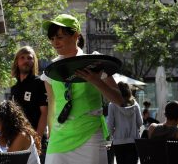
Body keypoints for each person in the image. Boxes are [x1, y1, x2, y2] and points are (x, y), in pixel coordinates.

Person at [41, 14, 123, 164]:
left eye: (60, 37)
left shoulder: (95, 62)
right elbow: (52, 108)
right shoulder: (50, 71)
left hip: (90, 135)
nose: (55, 42)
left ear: (76, 36)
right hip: (59, 138)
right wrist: (51, 137)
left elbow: (118, 100)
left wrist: (96, 81)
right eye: (52, 39)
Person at [10, 46, 48, 139]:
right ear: (17, 62)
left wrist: (37, 139)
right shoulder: (14, 85)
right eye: (22, 57)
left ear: (34, 61)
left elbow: (45, 113)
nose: (26, 61)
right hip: (16, 137)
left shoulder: (40, 83)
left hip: (33, 138)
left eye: (29, 58)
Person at [107, 82, 142, 164]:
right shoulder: (135, 105)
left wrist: (111, 136)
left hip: (118, 142)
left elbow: (110, 125)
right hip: (133, 141)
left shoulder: (112, 105)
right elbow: (140, 123)